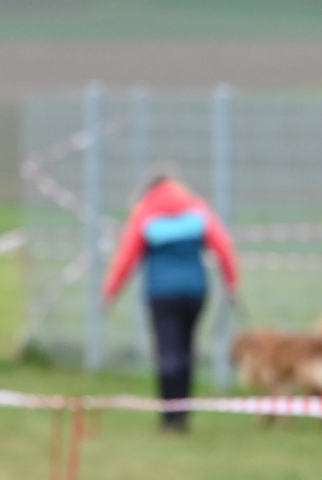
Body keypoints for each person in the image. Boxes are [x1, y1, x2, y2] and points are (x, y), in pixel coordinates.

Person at [102, 168, 241, 428]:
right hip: (195, 291)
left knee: (167, 351)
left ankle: (169, 416)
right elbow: (223, 246)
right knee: (187, 350)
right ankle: (183, 414)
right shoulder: (198, 209)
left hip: (161, 293)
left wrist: (110, 291)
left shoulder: (145, 214)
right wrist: (232, 283)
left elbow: (127, 256)